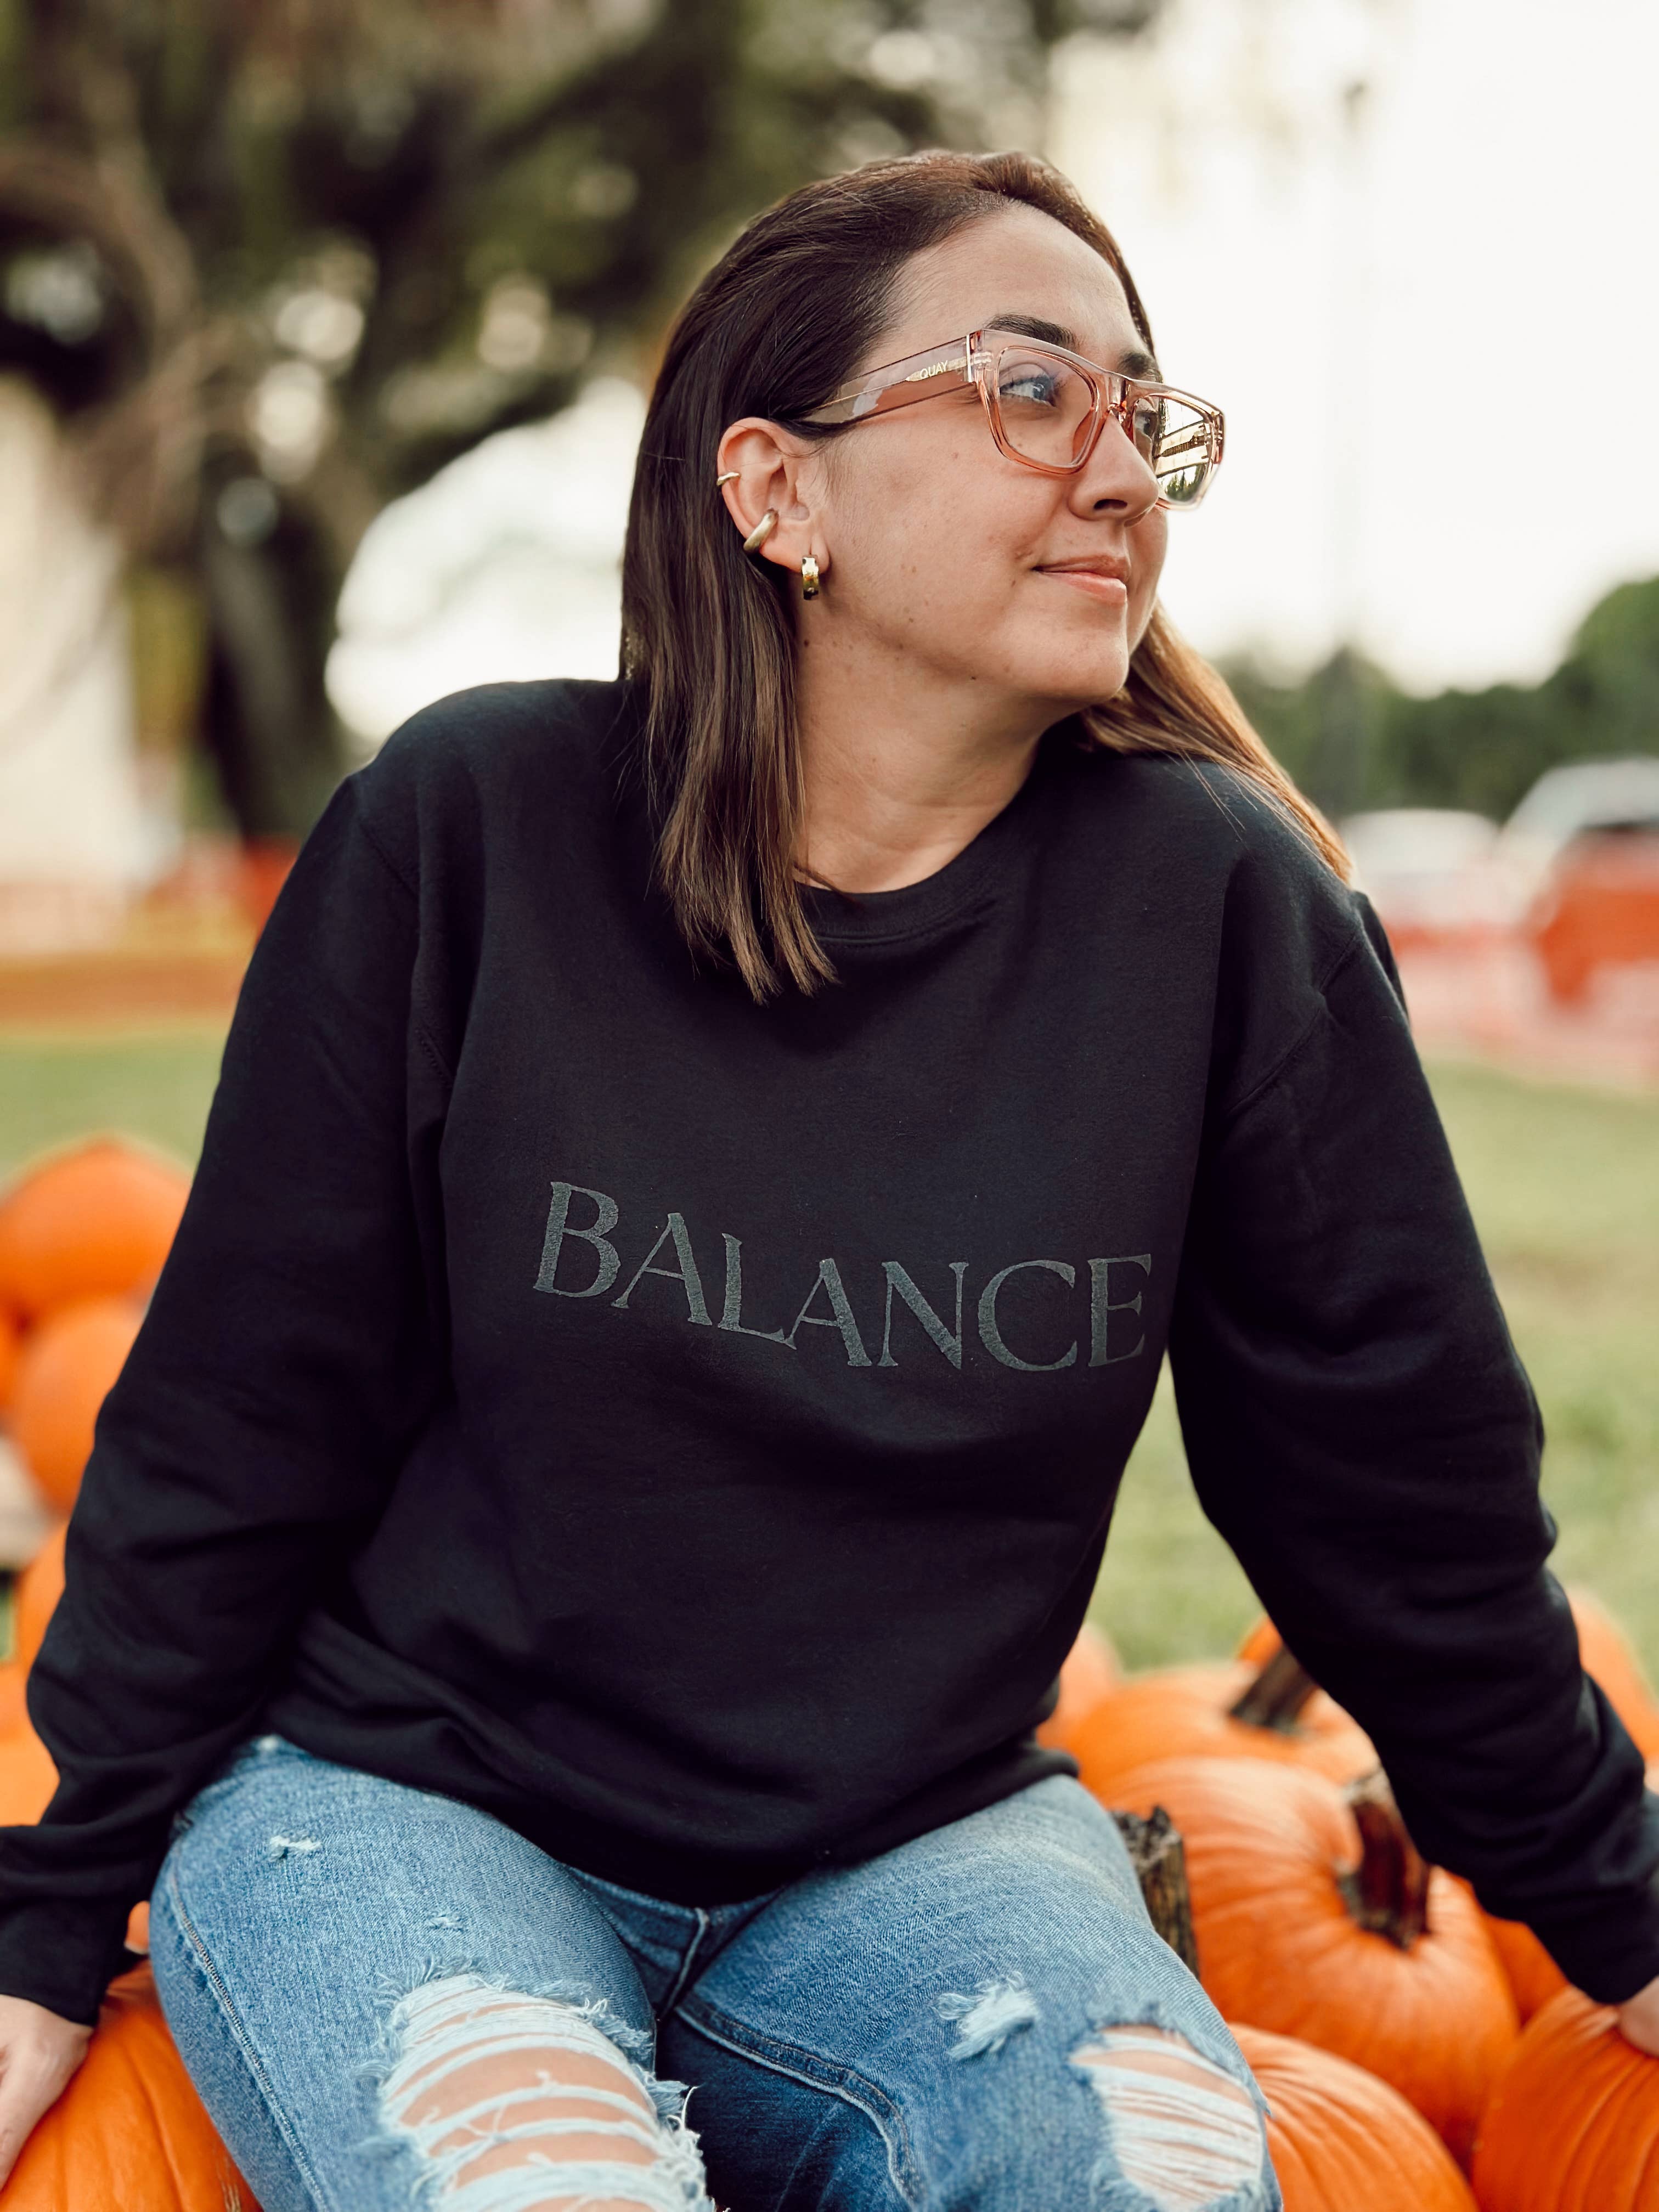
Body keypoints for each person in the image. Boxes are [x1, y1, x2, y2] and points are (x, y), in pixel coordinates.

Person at [0, 147, 1655, 2212]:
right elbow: (235, 1421)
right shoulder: (474, 831)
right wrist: (39, 1928)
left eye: (1145, 416)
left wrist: (1624, 1914)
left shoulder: (1225, 914)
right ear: (776, 490)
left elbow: (1393, 1501)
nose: (1120, 474)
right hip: (407, 1812)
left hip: (921, 1853)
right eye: (1032, 392)